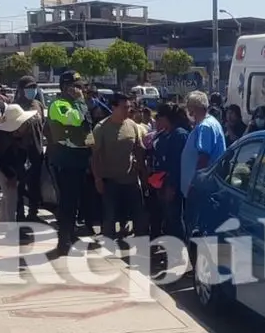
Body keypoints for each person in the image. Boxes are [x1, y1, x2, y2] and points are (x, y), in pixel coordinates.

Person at [46, 70, 94, 254]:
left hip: (79, 158)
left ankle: (71, 233)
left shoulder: (76, 103)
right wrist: (81, 102)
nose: (80, 89)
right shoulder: (58, 104)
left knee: (75, 201)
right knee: (67, 201)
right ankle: (63, 240)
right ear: (66, 87)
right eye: (76, 86)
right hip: (65, 159)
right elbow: (74, 119)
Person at [91, 92, 148, 239]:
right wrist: (97, 179)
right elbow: (95, 156)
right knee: (109, 216)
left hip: (131, 179)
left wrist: (143, 171)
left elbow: (138, 149)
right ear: (113, 107)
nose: (127, 111)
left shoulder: (132, 125)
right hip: (110, 181)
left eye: (129, 107)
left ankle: (141, 241)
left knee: (138, 213)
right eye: (124, 107)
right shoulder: (100, 128)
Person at [0, 104, 38, 239]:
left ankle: (3, 225)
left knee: (8, 197)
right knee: (11, 197)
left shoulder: (22, 134)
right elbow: (1, 158)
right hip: (2, 166)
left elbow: (21, 156)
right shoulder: (2, 136)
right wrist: (11, 175)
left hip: (12, 166)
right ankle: (11, 230)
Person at [150, 103, 190, 239]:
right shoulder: (164, 134)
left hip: (172, 185)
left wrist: (171, 187)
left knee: (175, 218)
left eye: (159, 118)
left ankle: (180, 247)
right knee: (167, 218)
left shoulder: (179, 135)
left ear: (166, 118)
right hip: (161, 182)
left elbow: (176, 164)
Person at [180, 91, 227, 199]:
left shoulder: (204, 127)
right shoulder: (211, 122)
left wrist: (195, 184)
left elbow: (203, 158)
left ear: (195, 108)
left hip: (202, 189)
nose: (189, 113)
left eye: (189, 108)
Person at [14, 75, 46, 221]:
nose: (32, 90)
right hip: (20, 151)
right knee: (20, 185)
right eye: (29, 88)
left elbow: (42, 124)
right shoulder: (15, 107)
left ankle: (33, 213)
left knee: (35, 184)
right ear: (21, 89)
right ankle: (19, 214)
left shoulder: (38, 104)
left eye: (34, 87)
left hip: (36, 150)